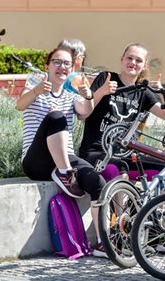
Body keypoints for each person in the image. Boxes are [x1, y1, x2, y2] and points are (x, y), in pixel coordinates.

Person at [17, 47, 110, 258]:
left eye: (66, 63)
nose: (62, 67)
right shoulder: (34, 86)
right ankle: (65, 173)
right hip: (37, 161)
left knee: (98, 183)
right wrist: (37, 91)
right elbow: (19, 106)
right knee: (56, 117)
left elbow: (85, 111)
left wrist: (88, 95)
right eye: (57, 62)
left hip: (64, 156)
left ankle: (104, 242)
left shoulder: (70, 95)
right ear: (47, 66)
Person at [78, 43, 165, 183]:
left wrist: (163, 93)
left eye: (138, 60)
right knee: (121, 171)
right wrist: (102, 92)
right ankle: (121, 206)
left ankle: (156, 205)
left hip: (125, 155)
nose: (133, 63)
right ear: (122, 59)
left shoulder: (142, 92)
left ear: (144, 66)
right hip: (96, 152)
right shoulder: (106, 78)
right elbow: (84, 112)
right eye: (129, 58)